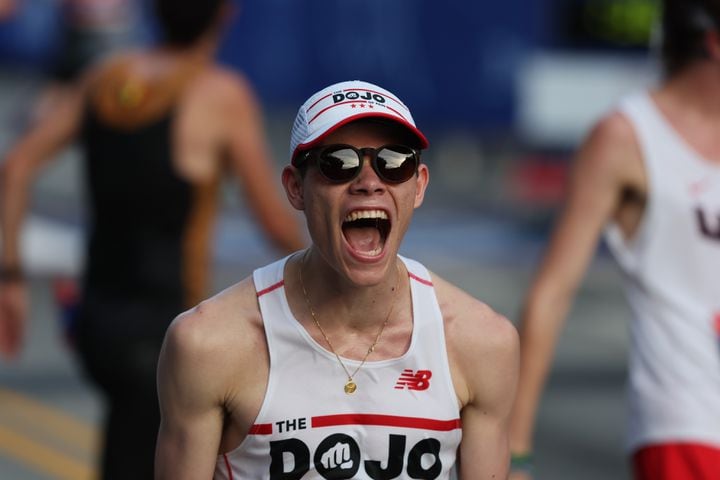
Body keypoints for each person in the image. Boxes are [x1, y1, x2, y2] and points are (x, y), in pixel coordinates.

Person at [155, 80, 520, 479]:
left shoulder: (482, 343)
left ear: (419, 185)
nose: (369, 181)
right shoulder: (208, 344)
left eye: (395, 161)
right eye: (338, 162)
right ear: (296, 188)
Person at [0, 0, 305, 477]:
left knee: (129, 446)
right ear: (224, 14)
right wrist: (337, 275)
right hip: (168, 331)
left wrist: (11, 278)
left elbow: (15, 167)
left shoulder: (106, 79)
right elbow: (274, 223)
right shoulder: (219, 94)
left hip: (96, 320)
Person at [508, 0, 720, 479]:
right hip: (686, 426)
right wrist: (514, 448)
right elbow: (551, 292)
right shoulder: (626, 136)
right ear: (712, 43)